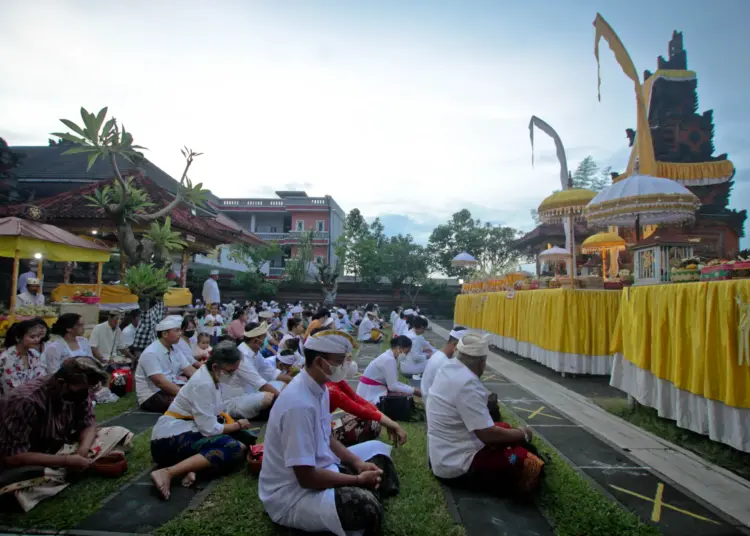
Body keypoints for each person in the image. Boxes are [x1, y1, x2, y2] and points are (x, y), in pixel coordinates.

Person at [259, 330, 400, 536]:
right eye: (340, 361)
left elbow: (328, 437)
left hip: (322, 469)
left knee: (380, 461)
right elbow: (306, 478)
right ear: (319, 362)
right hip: (292, 495)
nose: (345, 366)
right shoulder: (298, 406)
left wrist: (357, 463)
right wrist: (358, 480)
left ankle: (364, 494)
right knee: (367, 507)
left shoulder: (320, 389)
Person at [0, 358, 132, 511]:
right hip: (29, 459)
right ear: (61, 383)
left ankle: (73, 468)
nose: (85, 395)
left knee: (119, 433)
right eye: (82, 390)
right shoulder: (25, 400)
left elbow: (89, 425)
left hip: (62, 447)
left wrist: (82, 451)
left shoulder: (79, 392)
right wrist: (67, 461)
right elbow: (12, 457)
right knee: (21, 483)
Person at [426, 334, 544, 495]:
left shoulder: (448, 368)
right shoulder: (467, 384)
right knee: (530, 463)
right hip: (456, 465)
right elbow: (487, 435)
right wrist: (523, 433)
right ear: (482, 363)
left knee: (505, 428)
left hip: (441, 453)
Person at [149, 342, 255, 500]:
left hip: (193, 428)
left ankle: (193, 468)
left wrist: (235, 428)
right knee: (232, 447)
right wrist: (237, 425)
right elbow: (209, 429)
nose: (232, 375)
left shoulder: (213, 377)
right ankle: (168, 472)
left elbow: (214, 415)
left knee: (246, 440)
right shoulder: (203, 383)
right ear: (216, 366)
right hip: (167, 440)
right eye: (230, 371)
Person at [329, 354, 408, 448]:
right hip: (318, 435)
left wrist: (389, 422)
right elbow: (359, 409)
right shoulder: (330, 389)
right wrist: (394, 424)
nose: (350, 362)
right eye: (348, 359)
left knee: (369, 419)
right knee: (372, 424)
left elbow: (360, 401)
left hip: (326, 424)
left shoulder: (335, 380)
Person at [135, 316, 197, 413]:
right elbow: (160, 382)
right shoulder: (151, 353)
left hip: (171, 387)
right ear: (164, 334)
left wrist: (208, 381)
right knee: (192, 405)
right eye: (176, 331)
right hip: (152, 395)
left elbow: (190, 370)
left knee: (200, 395)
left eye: (180, 330)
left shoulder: (175, 348)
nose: (180, 334)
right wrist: (185, 395)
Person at [220, 324, 278, 420]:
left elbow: (270, 371)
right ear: (255, 341)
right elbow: (262, 385)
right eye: (264, 338)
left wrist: (291, 380)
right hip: (235, 400)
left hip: (250, 394)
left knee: (281, 386)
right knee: (270, 396)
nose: (265, 341)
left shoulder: (256, 352)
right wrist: (285, 399)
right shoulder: (240, 356)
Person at [356, 336, 422, 404]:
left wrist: (411, 389)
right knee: (403, 395)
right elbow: (393, 386)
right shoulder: (389, 360)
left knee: (406, 393)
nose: (406, 355)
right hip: (369, 393)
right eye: (406, 352)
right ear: (399, 348)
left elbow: (393, 383)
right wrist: (414, 391)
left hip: (370, 389)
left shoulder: (390, 357)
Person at [0, 319, 47, 396]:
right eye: (32, 337)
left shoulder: (34, 354)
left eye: (38, 336)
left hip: (33, 399)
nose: (37, 340)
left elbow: (42, 378)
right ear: (18, 338)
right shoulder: (6, 358)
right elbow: (12, 389)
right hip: (12, 402)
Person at [420, 326, 467, 400]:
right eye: (464, 349)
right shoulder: (444, 363)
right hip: (433, 403)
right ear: (455, 345)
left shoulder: (439, 354)